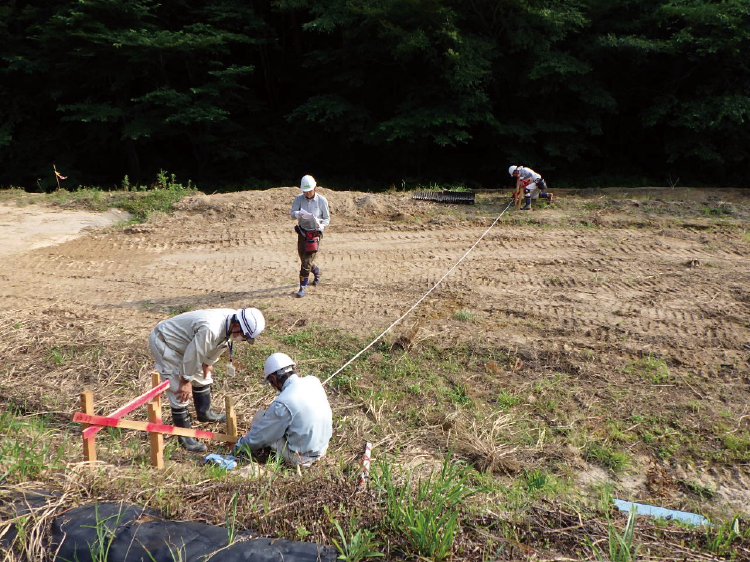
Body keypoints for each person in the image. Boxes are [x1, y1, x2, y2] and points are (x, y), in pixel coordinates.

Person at [149, 307, 266, 452]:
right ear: (237, 325)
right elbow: (195, 352)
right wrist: (185, 381)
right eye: (243, 335)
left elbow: (220, 342)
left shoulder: (230, 321)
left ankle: (204, 413)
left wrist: (208, 362)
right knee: (178, 389)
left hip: (188, 344)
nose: (242, 339)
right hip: (166, 342)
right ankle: (184, 436)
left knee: (203, 376)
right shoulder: (211, 328)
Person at [234, 352, 332, 467]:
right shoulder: (313, 381)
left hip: (301, 459)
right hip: (322, 450)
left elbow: (261, 436)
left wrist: (239, 446)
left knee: (259, 418)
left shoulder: (283, 402)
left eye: (271, 382)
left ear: (273, 378)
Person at [290, 175, 330, 298]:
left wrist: (321, 225)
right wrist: (297, 213)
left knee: (306, 262)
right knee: (303, 258)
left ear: (315, 188)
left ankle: (302, 287)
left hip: (314, 233)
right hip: (302, 233)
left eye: (309, 191)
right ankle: (316, 272)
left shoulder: (322, 200)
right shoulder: (298, 199)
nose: (307, 194)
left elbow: (327, 218)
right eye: (305, 192)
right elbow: (292, 214)